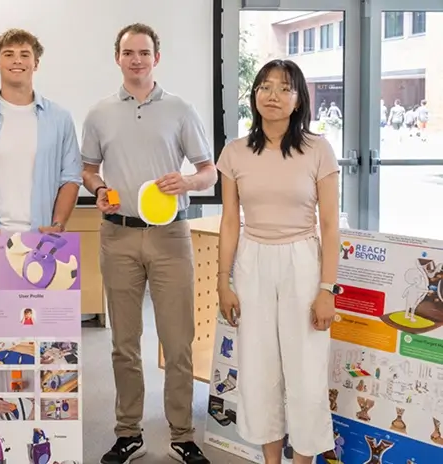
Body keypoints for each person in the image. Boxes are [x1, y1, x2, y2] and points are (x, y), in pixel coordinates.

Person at [80, 23, 217, 464]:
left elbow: (208, 171)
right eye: (128, 52)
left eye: (144, 52)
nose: (136, 59)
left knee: (178, 341)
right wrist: (98, 188)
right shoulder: (100, 112)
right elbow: (88, 169)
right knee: (124, 342)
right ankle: (128, 432)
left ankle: (182, 433)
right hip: (117, 234)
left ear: (156, 58)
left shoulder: (179, 109)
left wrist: (189, 181)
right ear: (116, 58)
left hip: (170, 235)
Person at [216, 59, 341, 464]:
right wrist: (223, 280)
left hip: (302, 261)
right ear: (254, 96)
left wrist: (326, 289)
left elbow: (330, 226)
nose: (272, 96)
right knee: (258, 369)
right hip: (252, 261)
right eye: (265, 87)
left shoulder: (318, 149)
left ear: (298, 98)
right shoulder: (235, 152)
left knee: (305, 374)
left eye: (284, 88)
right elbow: (230, 221)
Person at [0, 28, 82, 233]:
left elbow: (71, 177)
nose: (17, 61)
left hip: (41, 238)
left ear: (35, 63)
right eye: (8, 54)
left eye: (24, 55)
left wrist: (58, 224)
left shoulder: (60, 119)